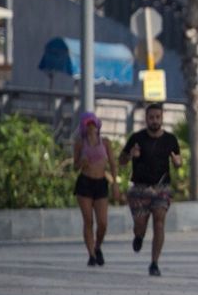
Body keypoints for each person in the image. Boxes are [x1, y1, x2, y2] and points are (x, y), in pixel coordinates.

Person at [119, 103, 182, 277]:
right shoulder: (137, 138)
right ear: (146, 119)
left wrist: (177, 163)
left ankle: (154, 263)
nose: (154, 121)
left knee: (159, 222)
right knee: (140, 226)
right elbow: (121, 161)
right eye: (151, 117)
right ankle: (138, 236)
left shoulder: (170, 140)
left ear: (162, 118)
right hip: (140, 188)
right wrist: (130, 154)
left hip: (161, 187)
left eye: (157, 117)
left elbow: (178, 161)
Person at [72, 112, 120, 266]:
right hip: (85, 183)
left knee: (103, 223)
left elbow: (112, 163)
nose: (91, 128)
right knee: (88, 220)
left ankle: (97, 246)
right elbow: (75, 166)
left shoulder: (105, 142)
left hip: (100, 183)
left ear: (97, 126)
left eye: (93, 124)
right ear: (84, 127)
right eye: (88, 125)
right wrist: (81, 163)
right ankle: (91, 255)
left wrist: (115, 185)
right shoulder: (80, 143)